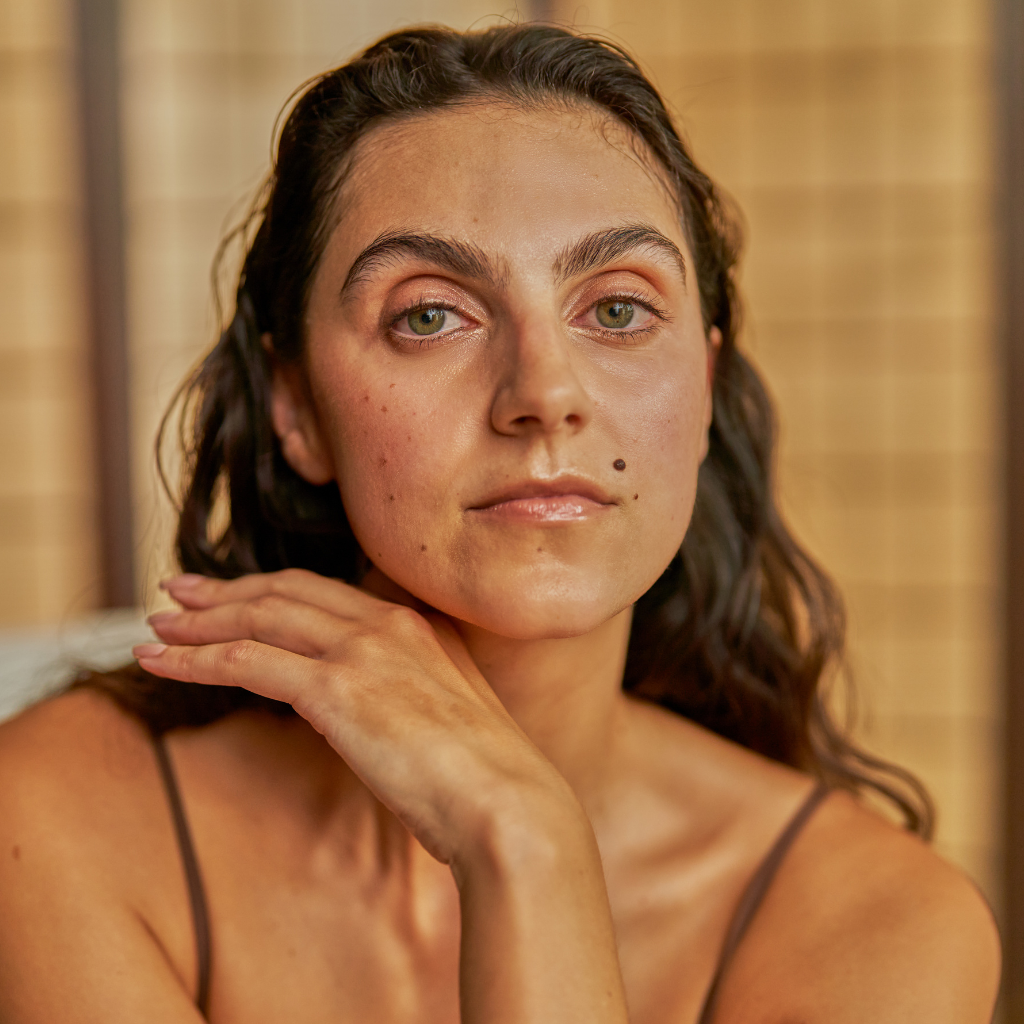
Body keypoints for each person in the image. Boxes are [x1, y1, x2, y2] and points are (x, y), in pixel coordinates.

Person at [0, 24, 999, 1023]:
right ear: (296, 407)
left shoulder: (879, 929)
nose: (544, 394)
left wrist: (526, 851)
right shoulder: (62, 819)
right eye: (430, 314)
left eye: (615, 309)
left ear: (702, 382)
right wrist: (520, 831)